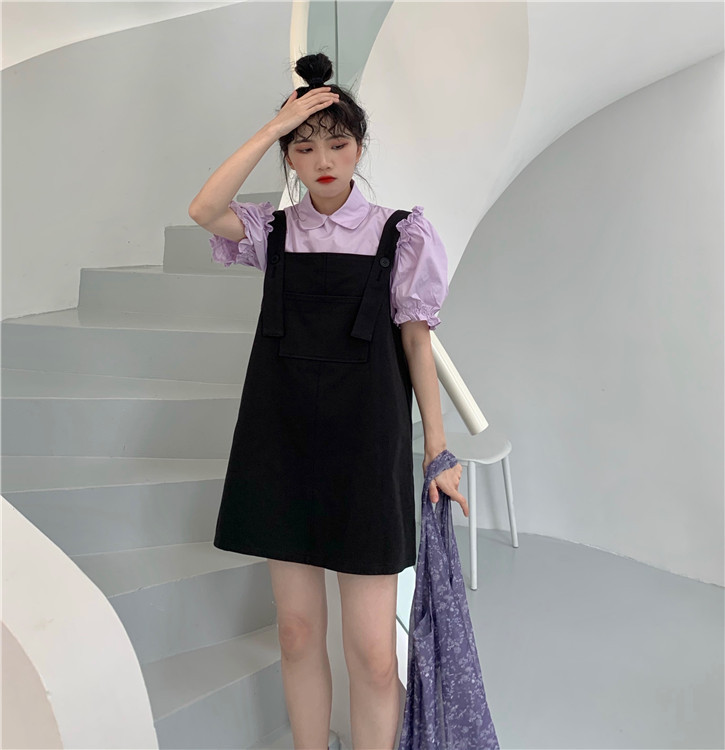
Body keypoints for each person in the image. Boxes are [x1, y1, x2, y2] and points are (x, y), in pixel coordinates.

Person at [188, 51, 468, 750]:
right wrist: (271, 127)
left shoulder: (401, 232)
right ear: (288, 156)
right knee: (295, 633)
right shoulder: (275, 231)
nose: (322, 160)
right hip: (280, 443)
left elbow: (416, 342)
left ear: (359, 149)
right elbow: (203, 209)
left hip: (366, 448)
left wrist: (437, 448)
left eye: (337, 143)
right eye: (304, 147)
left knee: (373, 655)